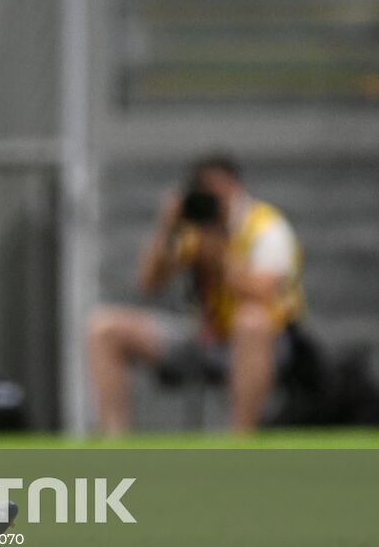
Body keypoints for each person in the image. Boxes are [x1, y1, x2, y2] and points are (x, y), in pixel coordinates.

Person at [88, 153, 304, 434]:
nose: (213, 198)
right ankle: (115, 443)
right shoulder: (193, 230)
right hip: (204, 335)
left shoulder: (266, 227)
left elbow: (263, 293)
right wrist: (166, 227)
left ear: (236, 187)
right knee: (103, 327)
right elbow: (149, 283)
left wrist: (220, 258)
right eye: (204, 189)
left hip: (265, 341)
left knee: (251, 321)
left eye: (219, 189)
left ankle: (242, 440)